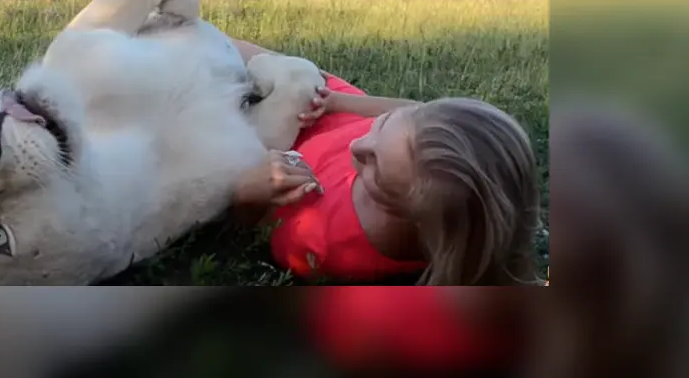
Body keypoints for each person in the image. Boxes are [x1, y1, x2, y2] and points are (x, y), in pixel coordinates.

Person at [229, 38, 543, 286]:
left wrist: (246, 194)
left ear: (411, 218)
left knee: (218, 71)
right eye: (382, 125)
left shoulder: (324, 245)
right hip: (329, 111)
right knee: (234, 48)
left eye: (374, 166)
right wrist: (338, 102)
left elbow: (251, 225)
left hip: (281, 135)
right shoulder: (411, 153)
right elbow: (416, 109)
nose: (357, 145)